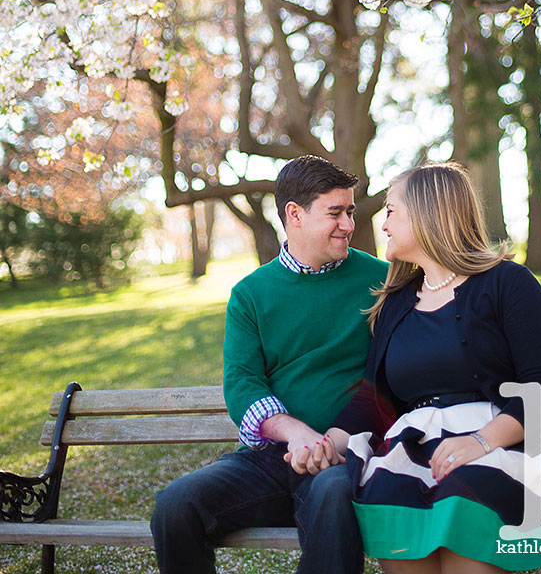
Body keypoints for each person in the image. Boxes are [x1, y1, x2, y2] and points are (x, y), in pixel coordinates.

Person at [312, 162, 541, 574]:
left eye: (391, 211)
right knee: (392, 491)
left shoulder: (507, 284)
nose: (382, 225)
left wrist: (480, 441)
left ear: (427, 214)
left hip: (502, 442)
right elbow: (375, 398)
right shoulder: (395, 303)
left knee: (465, 490)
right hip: (417, 447)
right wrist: (326, 443)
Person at [150, 154, 387, 574]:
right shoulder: (251, 293)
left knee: (333, 492)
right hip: (268, 461)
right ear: (294, 214)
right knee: (175, 504)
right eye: (335, 213)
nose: (349, 224)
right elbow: (242, 384)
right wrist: (293, 432)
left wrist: (326, 442)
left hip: (341, 458)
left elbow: (387, 377)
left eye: (350, 211)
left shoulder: (381, 282)